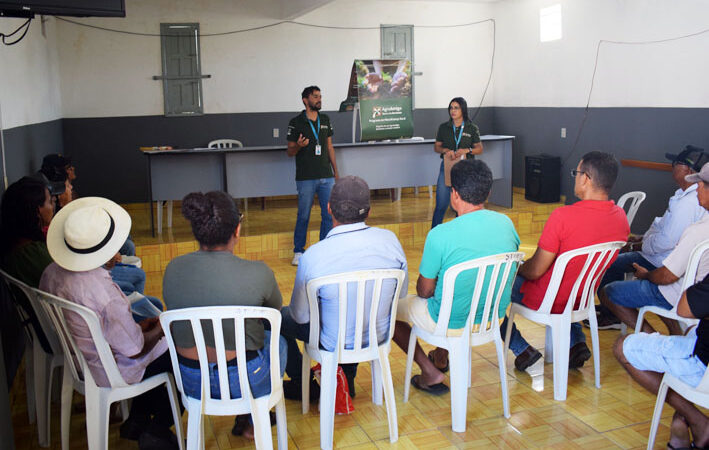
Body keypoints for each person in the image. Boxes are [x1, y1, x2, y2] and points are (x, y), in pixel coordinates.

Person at [39, 197, 179, 449]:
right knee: (177, 352)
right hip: (110, 369)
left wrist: (144, 327)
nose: (117, 254)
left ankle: (136, 419)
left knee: (157, 340)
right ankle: (159, 427)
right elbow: (135, 349)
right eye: (113, 248)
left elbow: (119, 333)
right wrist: (161, 325)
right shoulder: (104, 293)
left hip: (83, 358)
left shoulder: (51, 272)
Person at [162, 191, 286, 439]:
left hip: (191, 380)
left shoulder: (173, 269)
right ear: (237, 230)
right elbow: (275, 311)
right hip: (245, 379)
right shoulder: (258, 272)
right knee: (279, 340)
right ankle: (253, 419)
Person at [393, 159, 520, 394]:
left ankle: (430, 371)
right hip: (492, 319)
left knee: (388, 311)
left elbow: (424, 291)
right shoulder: (507, 224)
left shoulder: (440, 234)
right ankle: (441, 357)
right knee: (455, 293)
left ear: (454, 195)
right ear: (488, 192)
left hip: (451, 322)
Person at [500, 151, 630, 372]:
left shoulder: (562, 216)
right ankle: (576, 342)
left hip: (548, 299)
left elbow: (535, 272)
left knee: (491, 288)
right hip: (583, 297)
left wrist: (516, 268)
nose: (575, 178)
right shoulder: (620, 217)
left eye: (576, 173)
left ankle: (522, 348)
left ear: (586, 178)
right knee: (570, 282)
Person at [281, 176, 408, 399]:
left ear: (329, 209)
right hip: (377, 335)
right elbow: (402, 294)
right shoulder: (391, 241)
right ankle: (345, 379)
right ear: (368, 211)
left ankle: (305, 384)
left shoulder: (313, 255)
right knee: (354, 310)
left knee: (277, 319)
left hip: (333, 341)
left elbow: (300, 317)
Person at [595, 145, 708, 329]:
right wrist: (641, 239)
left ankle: (638, 330)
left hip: (665, 271)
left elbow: (667, 269)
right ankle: (674, 332)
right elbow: (662, 227)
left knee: (610, 274)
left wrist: (645, 272)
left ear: (687, 170)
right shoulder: (684, 197)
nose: (672, 167)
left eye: (701, 185)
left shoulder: (690, 208)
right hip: (672, 273)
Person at [614, 274, 709, 449]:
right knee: (690, 330)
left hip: (702, 367)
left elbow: (684, 308)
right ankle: (680, 424)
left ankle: (697, 421)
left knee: (622, 347)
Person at [286, 85, 339, 266]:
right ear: (305, 100)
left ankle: (324, 249)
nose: (319, 99)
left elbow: (330, 147)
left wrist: (336, 173)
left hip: (326, 176)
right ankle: (299, 251)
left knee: (329, 214)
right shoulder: (296, 122)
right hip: (306, 177)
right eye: (315, 97)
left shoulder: (325, 119)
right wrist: (299, 145)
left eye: (320, 96)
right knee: (304, 215)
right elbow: (290, 152)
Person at [431, 97, 483, 228]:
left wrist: (468, 150)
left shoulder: (471, 128)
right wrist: (445, 150)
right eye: (451, 108)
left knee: (462, 206)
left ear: (463, 110)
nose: (452, 111)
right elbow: (436, 147)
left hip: (466, 171)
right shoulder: (444, 127)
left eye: (456, 108)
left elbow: (479, 149)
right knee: (441, 205)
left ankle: (460, 232)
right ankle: (434, 233)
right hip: (447, 169)